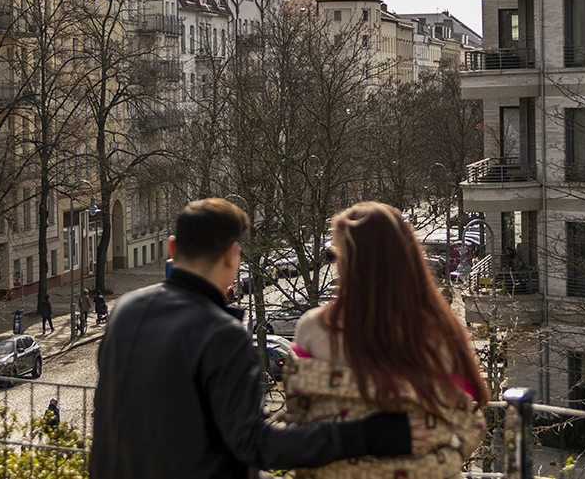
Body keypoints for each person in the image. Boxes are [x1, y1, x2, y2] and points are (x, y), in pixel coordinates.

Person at [91, 198, 417, 479]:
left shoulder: (126, 310)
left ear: (172, 248)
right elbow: (256, 443)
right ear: (233, 256)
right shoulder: (221, 333)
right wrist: (366, 434)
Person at [284, 202, 489, 478]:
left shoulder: (314, 328)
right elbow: (466, 412)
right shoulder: (439, 332)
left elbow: (300, 417)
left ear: (348, 259)